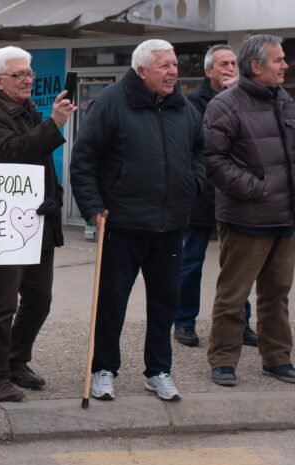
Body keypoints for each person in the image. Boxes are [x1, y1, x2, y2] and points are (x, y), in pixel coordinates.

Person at [70, 39, 205, 402]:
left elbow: (199, 151)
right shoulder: (112, 103)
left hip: (170, 226)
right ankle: (103, 369)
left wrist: (194, 183)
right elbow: (84, 159)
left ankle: (158, 370)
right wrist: (93, 206)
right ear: (142, 70)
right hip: (122, 225)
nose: (173, 71)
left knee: (165, 304)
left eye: (175, 64)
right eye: (164, 66)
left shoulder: (184, 108)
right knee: (111, 303)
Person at [0, 46, 76, 405]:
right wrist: (54, 124)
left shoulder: (28, 111)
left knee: (39, 299)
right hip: (5, 229)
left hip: (37, 223)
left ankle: (16, 361)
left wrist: (56, 198)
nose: (28, 80)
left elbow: (43, 165)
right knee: (1, 305)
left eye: (30, 73)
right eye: (20, 75)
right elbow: (11, 153)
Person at [204, 34, 295, 386]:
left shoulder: (285, 102)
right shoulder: (225, 105)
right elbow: (213, 162)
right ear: (257, 67)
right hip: (246, 218)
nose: (285, 65)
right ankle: (223, 359)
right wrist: (258, 190)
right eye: (279, 60)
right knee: (233, 294)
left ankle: (276, 358)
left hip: (284, 218)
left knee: (277, 295)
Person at [174, 45, 257, 348]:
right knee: (191, 262)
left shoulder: (249, 99)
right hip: (201, 196)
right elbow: (202, 144)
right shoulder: (191, 103)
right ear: (209, 71)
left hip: (234, 195)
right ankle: (184, 322)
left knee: (237, 266)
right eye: (223, 64)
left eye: (234, 63)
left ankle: (242, 324)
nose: (230, 68)